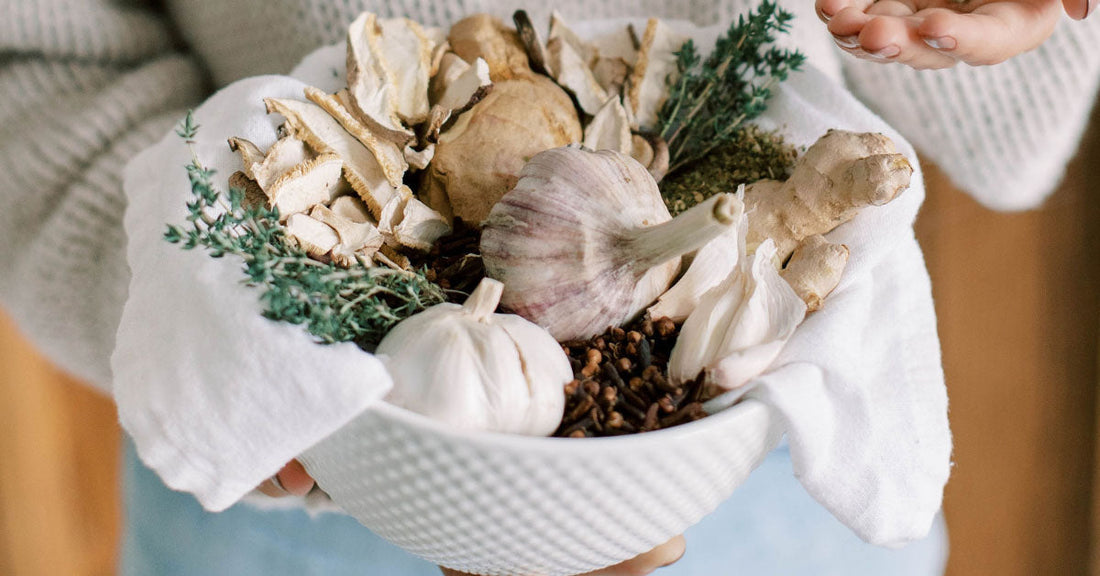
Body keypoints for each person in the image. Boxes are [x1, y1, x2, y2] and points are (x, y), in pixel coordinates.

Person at [1, 0, 1097, 575]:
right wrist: (203, 312)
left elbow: (1011, 148)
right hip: (294, 496)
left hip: (771, 472)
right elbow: (30, 57)